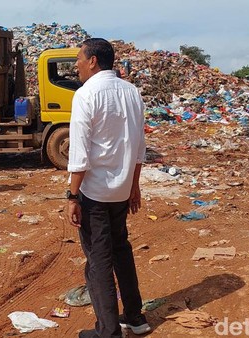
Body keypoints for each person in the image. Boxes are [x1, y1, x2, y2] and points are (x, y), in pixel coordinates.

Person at [66, 38, 150, 338]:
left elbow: (79, 154)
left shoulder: (86, 94)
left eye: (79, 59)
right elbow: (139, 146)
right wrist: (134, 186)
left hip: (96, 194)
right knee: (121, 250)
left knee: (99, 261)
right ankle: (135, 317)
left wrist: (72, 196)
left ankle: (108, 331)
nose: (76, 65)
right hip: (122, 189)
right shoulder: (131, 92)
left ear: (93, 61)